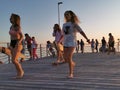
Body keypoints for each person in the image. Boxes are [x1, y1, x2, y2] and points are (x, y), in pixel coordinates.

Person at [61, 10, 90, 78]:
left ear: (71, 15)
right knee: (65, 59)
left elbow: (81, 32)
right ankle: (72, 64)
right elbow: (63, 34)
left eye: (67, 14)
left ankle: (71, 74)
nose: (66, 15)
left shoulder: (74, 24)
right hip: (65, 43)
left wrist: (87, 39)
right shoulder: (64, 25)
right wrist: (59, 41)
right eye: (65, 14)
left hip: (72, 42)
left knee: (69, 57)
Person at [9, 13, 25, 79]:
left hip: (17, 43)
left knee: (14, 60)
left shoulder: (17, 27)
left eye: (11, 17)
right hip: (12, 43)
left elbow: (22, 36)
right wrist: (10, 45)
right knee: (14, 60)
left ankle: (21, 72)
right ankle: (18, 73)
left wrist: (18, 42)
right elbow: (11, 36)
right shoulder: (11, 26)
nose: (10, 18)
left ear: (15, 19)